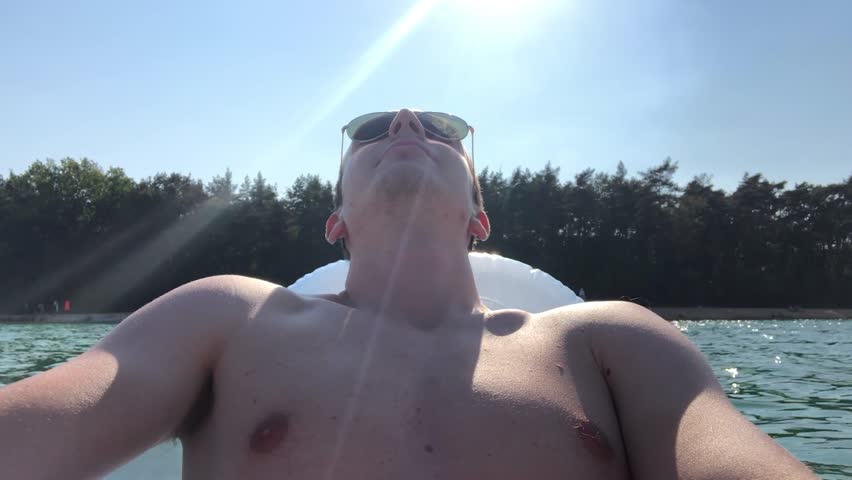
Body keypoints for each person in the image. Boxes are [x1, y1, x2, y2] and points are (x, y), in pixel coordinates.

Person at [0, 109, 816, 479]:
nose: (402, 125)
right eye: (369, 132)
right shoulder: (227, 317)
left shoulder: (610, 340)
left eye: (443, 131)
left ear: (479, 216)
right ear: (334, 221)